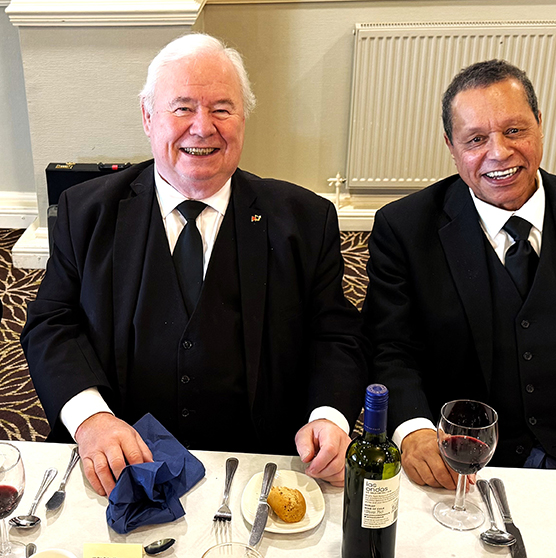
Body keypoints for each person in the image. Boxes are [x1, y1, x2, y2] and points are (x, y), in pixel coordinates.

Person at [22, 33, 367, 496]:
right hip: (122, 459)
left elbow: (336, 334)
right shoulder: (86, 211)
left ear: (243, 119)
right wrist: (91, 418)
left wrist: (329, 416)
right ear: (148, 117)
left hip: (258, 463)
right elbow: (51, 323)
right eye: (182, 108)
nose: (203, 128)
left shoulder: (305, 220)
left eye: (222, 109)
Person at [363, 59, 556, 489]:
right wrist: (414, 430)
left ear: (539, 124)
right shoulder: (403, 229)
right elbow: (390, 350)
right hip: (458, 461)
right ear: (451, 146)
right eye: (476, 139)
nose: (499, 153)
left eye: (514, 130)